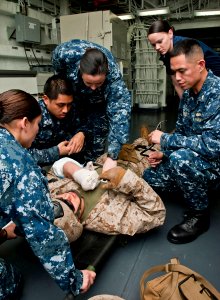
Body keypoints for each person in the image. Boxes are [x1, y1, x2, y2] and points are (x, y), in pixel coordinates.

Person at [0, 89, 95, 298]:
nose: (37, 131)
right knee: (10, 281)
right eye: (37, 125)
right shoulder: (20, 166)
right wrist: (75, 280)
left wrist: (5, 232)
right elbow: (43, 235)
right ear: (24, 123)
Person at [142, 39, 220, 244]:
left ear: (201, 65)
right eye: (174, 72)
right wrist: (163, 153)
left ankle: (200, 215)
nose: (177, 78)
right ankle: (198, 187)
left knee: (181, 160)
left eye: (182, 71)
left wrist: (165, 140)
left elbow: (213, 147)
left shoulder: (217, 94)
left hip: (215, 163)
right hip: (198, 160)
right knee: (150, 176)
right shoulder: (188, 96)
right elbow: (184, 132)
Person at [48, 134, 166, 237]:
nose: (67, 196)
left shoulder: (52, 194)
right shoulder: (109, 219)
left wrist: (75, 171)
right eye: (69, 204)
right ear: (77, 219)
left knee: (145, 139)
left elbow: (53, 171)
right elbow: (156, 215)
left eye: (60, 198)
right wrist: (125, 178)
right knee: (166, 142)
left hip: (112, 155)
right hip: (144, 162)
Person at [52, 39, 132, 172]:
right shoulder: (66, 54)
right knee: (69, 136)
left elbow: (120, 115)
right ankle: (68, 168)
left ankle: (91, 168)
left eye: (99, 83)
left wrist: (112, 157)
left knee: (97, 141)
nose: (93, 88)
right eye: (89, 83)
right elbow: (57, 69)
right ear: (79, 70)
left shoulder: (114, 79)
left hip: (98, 105)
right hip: (75, 99)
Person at [147, 19, 220, 98]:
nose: (157, 47)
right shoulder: (166, 54)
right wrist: (183, 105)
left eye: (160, 41)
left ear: (170, 33)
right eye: (153, 45)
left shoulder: (185, 47)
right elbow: (175, 81)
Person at [29, 74, 87, 166]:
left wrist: (81, 133)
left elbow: (84, 124)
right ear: (46, 99)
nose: (66, 110)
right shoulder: (32, 116)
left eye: (69, 104)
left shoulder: (72, 109)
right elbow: (24, 155)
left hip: (70, 164)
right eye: (60, 105)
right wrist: (57, 152)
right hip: (43, 169)